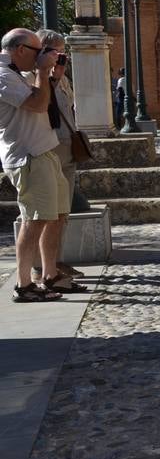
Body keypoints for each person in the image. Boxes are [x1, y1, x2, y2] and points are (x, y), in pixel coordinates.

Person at [0, 28, 69, 301]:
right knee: (34, 219)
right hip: (28, 156)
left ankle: (50, 275)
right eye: (37, 50)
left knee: (56, 215)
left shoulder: (19, 72)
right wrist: (42, 73)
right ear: (20, 50)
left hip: (44, 151)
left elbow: (43, 100)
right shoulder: (4, 75)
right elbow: (38, 106)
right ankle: (24, 284)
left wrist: (52, 79)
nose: (41, 56)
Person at [33, 30, 86, 290]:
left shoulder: (61, 76)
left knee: (62, 211)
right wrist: (51, 78)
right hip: (49, 146)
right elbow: (41, 105)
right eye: (57, 51)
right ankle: (42, 266)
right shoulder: (36, 76)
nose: (61, 56)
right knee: (48, 212)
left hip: (66, 145)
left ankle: (56, 260)